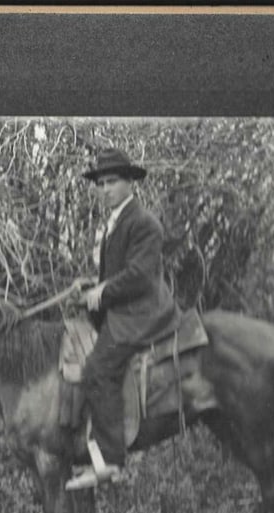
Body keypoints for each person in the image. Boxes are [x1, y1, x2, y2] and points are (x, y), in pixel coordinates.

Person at [66, 148, 178, 491]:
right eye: (100, 184)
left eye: (112, 182)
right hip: (123, 308)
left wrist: (104, 292)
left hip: (142, 312)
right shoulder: (115, 222)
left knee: (98, 370)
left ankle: (111, 460)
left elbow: (140, 276)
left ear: (131, 183)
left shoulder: (144, 223)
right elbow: (117, 274)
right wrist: (91, 285)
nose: (105, 190)